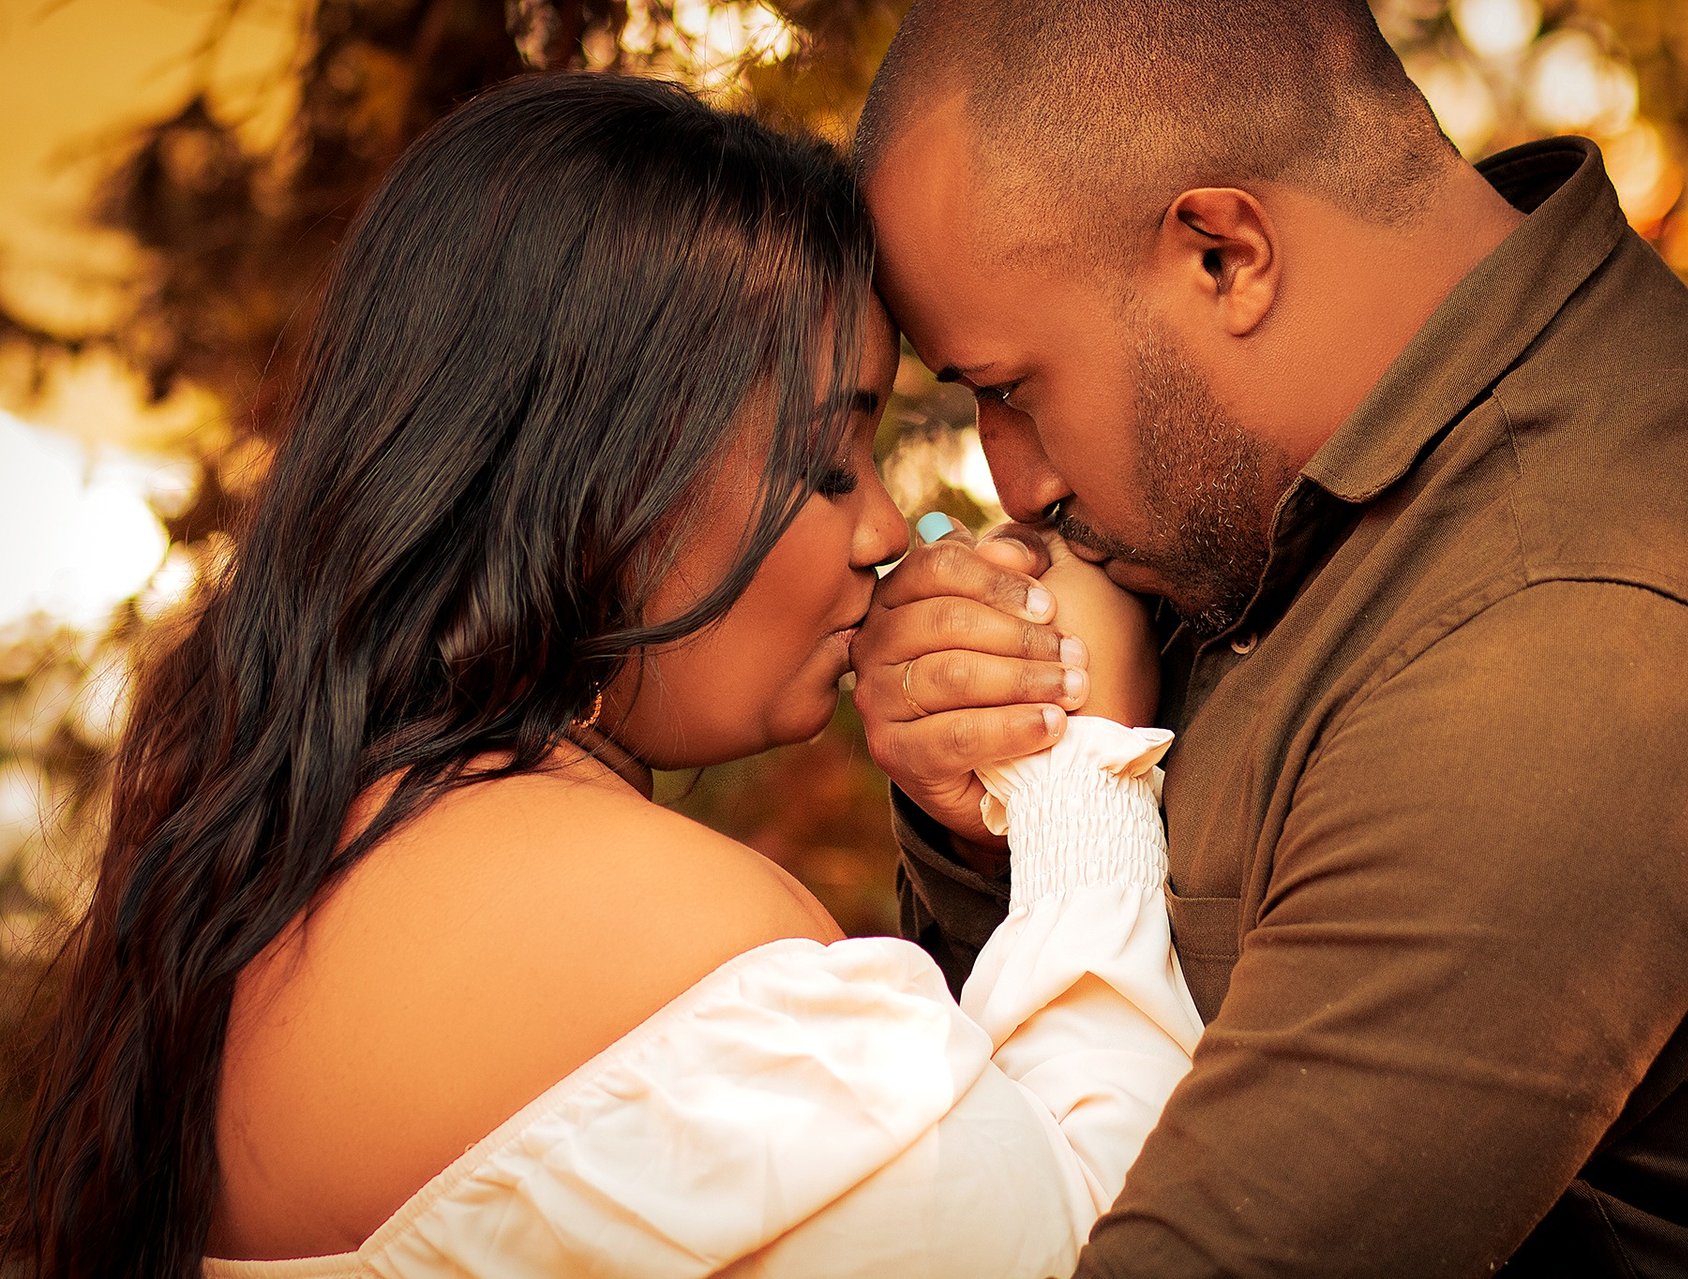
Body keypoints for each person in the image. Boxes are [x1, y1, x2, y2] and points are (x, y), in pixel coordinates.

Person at [1, 72, 1204, 1279]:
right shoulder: (657, 930)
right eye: (827, 460)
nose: (888, 529)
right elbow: (1118, 1245)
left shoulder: (288, 851)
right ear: (609, 475)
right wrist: (1073, 760)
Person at [848, 2, 1688, 1275]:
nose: (1014, 483)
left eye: (1013, 390)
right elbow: (1028, 1130)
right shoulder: (1280, 483)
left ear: (1223, 256)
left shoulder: (1568, 637)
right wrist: (997, 803)